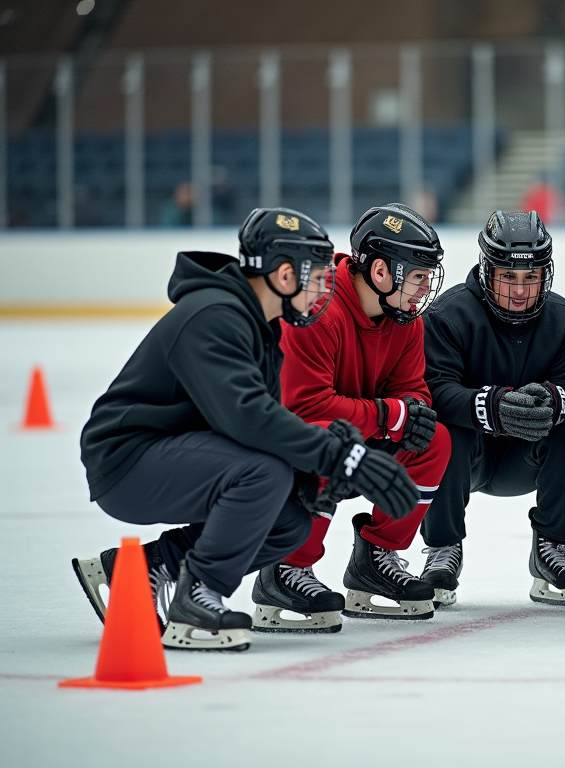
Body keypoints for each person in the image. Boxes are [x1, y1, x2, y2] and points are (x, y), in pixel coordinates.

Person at [73, 208, 419, 651]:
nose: (323, 289)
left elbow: (263, 425)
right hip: (126, 460)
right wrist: (342, 456)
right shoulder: (214, 314)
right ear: (284, 273)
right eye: (316, 277)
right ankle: (197, 596)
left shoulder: (262, 329)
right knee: (264, 473)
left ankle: (142, 568)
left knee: (290, 521)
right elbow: (247, 417)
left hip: (177, 450)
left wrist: (312, 477)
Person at [253, 203, 451, 626]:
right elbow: (304, 409)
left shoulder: (405, 320)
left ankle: (375, 559)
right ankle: (286, 567)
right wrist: (389, 415)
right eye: (417, 277)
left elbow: (412, 393)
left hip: (357, 432)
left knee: (435, 441)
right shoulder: (316, 310)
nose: (424, 289)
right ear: (381, 271)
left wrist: (408, 414)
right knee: (329, 441)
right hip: (285, 445)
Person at [419, 210, 565, 606]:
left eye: (530, 278)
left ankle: (551, 546)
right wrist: (491, 406)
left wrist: (554, 400)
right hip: (468, 459)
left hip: (524, 461)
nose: (519, 290)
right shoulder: (448, 314)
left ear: (545, 274)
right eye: (508, 276)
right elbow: (434, 390)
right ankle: (443, 549)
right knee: (442, 430)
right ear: (487, 270)